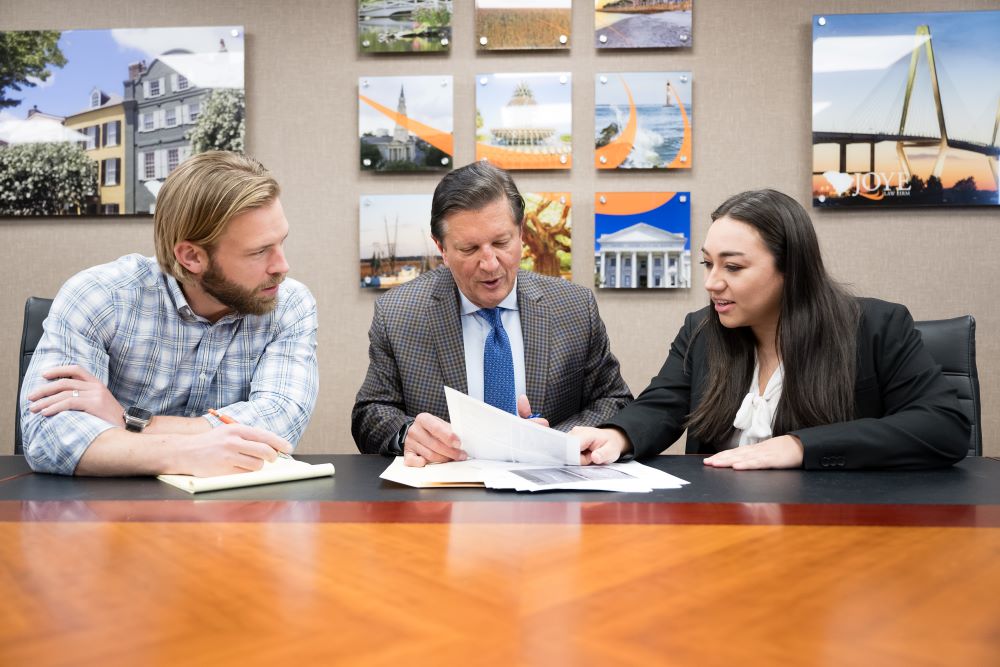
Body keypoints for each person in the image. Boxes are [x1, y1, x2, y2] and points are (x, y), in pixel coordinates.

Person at [573, 188, 970, 470]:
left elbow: (942, 427)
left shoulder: (876, 327)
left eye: (733, 267)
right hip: (720, 533)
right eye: (708, 264)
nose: (712, 282)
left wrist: (801, 446)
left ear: (790, 269)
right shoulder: (702, 332)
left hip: (839, 529)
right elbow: (660, 406)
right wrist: (618, 437)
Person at [20, 151, 319, 476]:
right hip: (107, 516)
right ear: (191, 256)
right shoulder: (99, 296)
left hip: (233, 516)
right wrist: (187, 452)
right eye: (260, 251)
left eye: (281, 243)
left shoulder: (289, 305)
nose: (282, 266)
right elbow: (48, 437)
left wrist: (129, 421)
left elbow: (279, 423)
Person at [352, 160, 632, 465]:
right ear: (441, 248)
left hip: (550, 494)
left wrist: (554, 442)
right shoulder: (399, 313)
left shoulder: (574, 307)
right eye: (469, 249)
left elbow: (615, 401)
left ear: (521, 233)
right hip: (446, 498)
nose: (489, 264)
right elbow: (370, 413)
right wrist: (408, 434)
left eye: (501, 242)